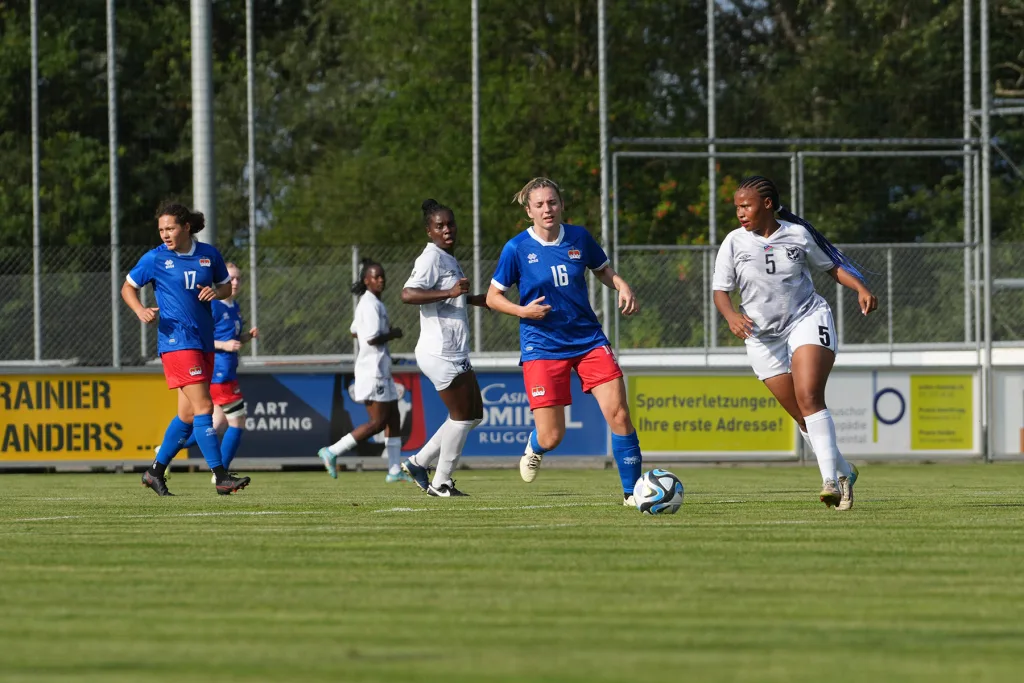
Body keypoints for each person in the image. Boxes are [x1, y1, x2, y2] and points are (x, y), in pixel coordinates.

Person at [712, 175, 878, 510]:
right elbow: (720, 292)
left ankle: (829, 481)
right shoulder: (733, 242)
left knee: (809, 397)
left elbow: (832, 268)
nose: (740, 212)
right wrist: (730, 315)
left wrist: (860, 287)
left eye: (746, 205)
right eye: (737, 207)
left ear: (767, 204)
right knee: (802, 417)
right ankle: (844, 471)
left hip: (806, 318)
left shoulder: (798, 235)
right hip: (762, 338)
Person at [484, 177, 643, 506]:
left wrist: (622, 285)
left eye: (552, 202)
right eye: (539, 205)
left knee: (619, 414)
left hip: (588, 339)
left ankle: (633, 493)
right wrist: (522, 311)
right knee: (553, 436)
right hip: (542, 345)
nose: (547, 209)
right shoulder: (516, 248)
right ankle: (535, 446)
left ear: (561, 205)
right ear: (529, 211)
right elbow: (492, 297)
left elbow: (602, 270)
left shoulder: (579, 237)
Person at [122, 202, 251, 496]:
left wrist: (216, 291)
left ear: (186, 227)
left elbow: (226, 288)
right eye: (161, 230)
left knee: (188, 416)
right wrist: (140, 310)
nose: (165, 234)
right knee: (205, 407)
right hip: (176, 341)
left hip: (203, 341)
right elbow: (127, 287)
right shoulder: (155, 258)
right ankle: (221, 477)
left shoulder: (208, 255)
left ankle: (154, 472)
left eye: (170, 228)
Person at [398, 199, 488, 497]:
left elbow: (451, 298)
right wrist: (450, 291)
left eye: (450, 224)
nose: (447, 229)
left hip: (455, 349)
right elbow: (408, 294)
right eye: (440, 226)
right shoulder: (431, 257)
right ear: (429, 231)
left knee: (473, 416)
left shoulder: (449, 258)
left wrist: (476, 299)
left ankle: (418, 462)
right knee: (462, 417)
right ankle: (442, 482)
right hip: (439, 350)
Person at [317, 258, 411, 483]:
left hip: (381, 369)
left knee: (394, 418)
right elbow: (370, 339)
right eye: (375, 277)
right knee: (377, 422)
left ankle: (395, 470)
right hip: (372, 372)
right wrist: (392, 334)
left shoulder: (375, 303)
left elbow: (354, 331)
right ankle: (331, 451)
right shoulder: (368, 304)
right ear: (366, 280)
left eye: (382, 276)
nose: (380, 280)